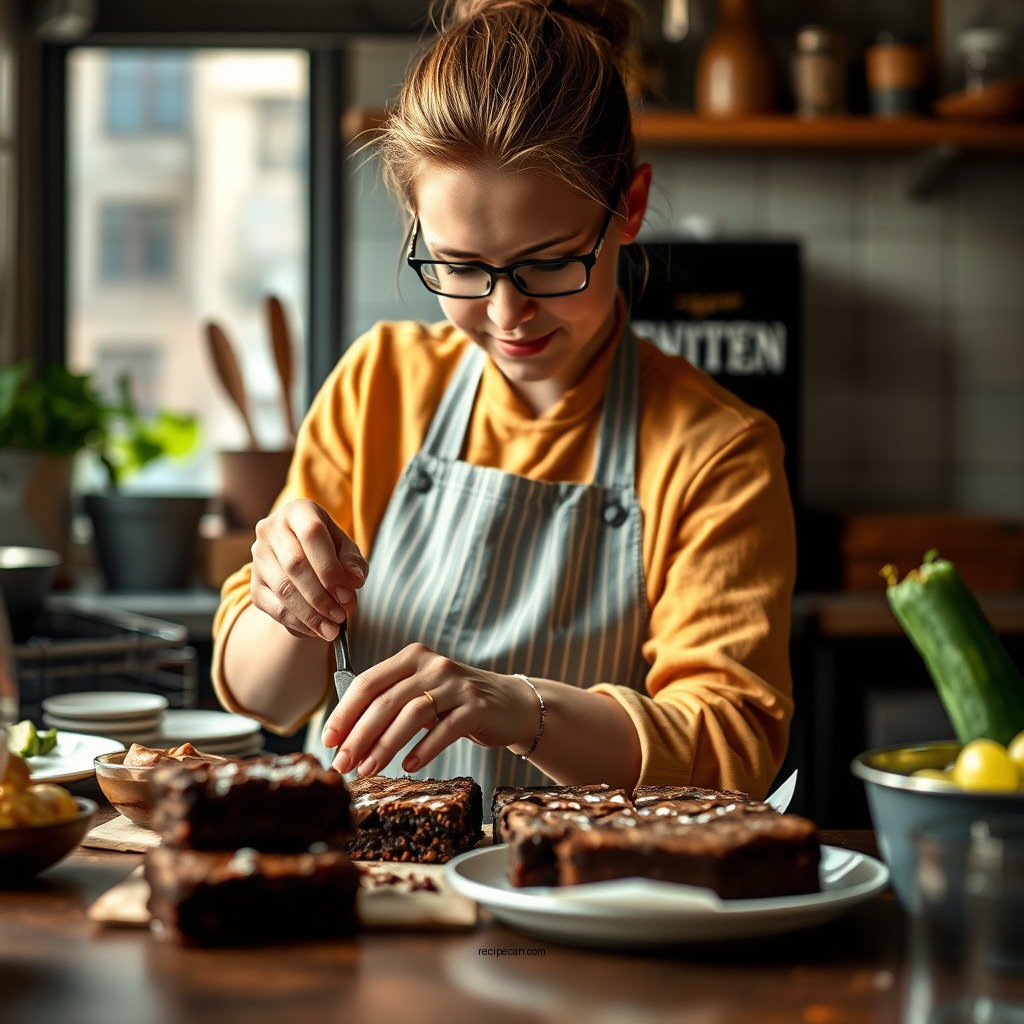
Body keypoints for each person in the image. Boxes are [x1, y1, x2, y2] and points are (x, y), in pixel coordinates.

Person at [212, 0, 796, 801]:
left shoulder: (716, 449)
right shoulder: (379, 384)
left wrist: (522, 709)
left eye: (548, 263)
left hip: (578, 877)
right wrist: (285, 604)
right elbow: (269, 700)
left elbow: (730, 744)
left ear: (628, 207)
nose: (506, 312)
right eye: (460, 267)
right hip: (363, 874)